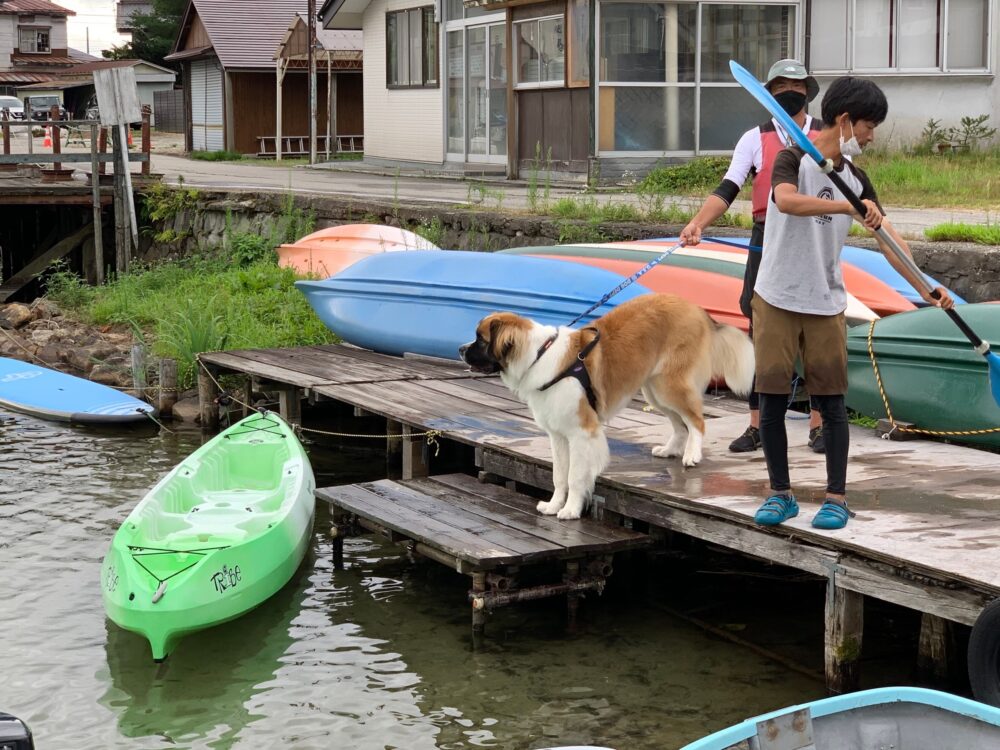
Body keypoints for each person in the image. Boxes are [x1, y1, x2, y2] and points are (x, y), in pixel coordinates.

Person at [751, 76, 954, 531]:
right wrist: (846, 209)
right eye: (868, 126)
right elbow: (783, 202)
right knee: (771, 400)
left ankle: (836, 499)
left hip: (825, 301)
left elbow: (887, 237)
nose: (870, 136)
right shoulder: (792, 158)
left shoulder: (856, 178)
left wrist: (924, 285)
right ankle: (780, 494)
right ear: (844, 121)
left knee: (832, 402)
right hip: (777, 296)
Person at [681, 59, 826, 455]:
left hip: (813, 237)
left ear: (807, 92)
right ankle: (758, 425)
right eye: (779, 87)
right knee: (759, 329)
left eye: (795, 86)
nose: (788, 92)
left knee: (813, 331)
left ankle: (819, 426)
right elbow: (728, 188)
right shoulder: (753, 139)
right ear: (767, 94)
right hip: (767, 239)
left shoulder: (824, 136)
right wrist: (698, 223)